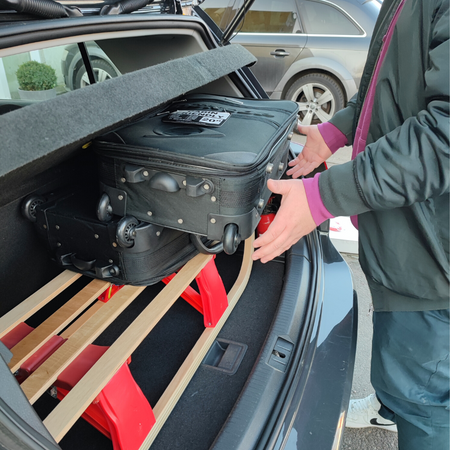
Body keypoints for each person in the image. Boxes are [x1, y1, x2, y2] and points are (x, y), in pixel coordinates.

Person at [252, 0, 449, 449]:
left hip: (432, 264)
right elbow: (390, 88)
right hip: (414, 246)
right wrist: (339, 129)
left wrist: (324, 197)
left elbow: (445, 137)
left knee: (425, 404)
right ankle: (391, 409)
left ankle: (403, 410)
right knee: (407, 388)